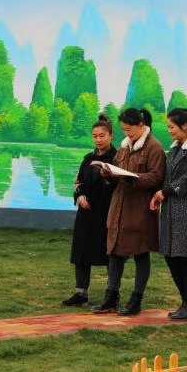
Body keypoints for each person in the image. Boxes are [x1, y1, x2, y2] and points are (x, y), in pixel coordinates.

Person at [92, 108, 166, 316]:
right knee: (115, 252)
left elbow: (157, 177)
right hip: (119, 206)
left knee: (141, 253)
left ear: (141, 125)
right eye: (124, 130)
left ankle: (136, 300)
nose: (127, 134)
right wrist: (108, 173)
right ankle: (111, 298)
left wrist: (134, 178)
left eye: (129, 130)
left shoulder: (154, 147)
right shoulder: (124, 147)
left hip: (140, 209)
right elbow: (117, 169)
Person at [151, 108, 187, 321]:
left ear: (185, 126)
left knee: (184, 258)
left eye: (172, 127)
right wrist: (158, 194)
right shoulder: (175, 149)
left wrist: (165, 192)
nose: (169, 130)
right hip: (171, 210)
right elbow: (167, 177)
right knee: (170, 255)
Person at [62, 115, 117, 307]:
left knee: (109, 254)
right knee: (81, 252)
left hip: (106, 212)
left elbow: (120, 186)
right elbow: (78, 182)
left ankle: (112, 294)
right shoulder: (87, 159)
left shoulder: (117, 159)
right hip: (85, 214)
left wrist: (107, 178)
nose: (98, 140)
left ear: (111, 136)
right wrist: (80, 196)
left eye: (102, 136)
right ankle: (81, 293)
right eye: (95, 136)